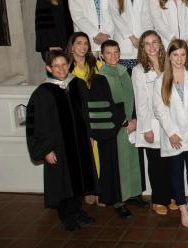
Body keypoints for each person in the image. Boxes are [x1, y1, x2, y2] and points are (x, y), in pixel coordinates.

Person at [25, 50, 96, 231]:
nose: (61, 69)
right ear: (48, 68)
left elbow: (86, 114)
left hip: (78, 142)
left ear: (69, 65)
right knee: (62, 181)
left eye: (64, 64)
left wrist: (89, 134)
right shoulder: (42, 93)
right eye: (56, 66)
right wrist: (45, 149)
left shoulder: (77, 84)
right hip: (57, 146)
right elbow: (36, 124)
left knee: (78, 177)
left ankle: (77, 209)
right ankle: (66, 215)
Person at [153, 40, 188, 228]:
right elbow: (159, 110)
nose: (179, 59)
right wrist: (171, 133)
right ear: (169, 56)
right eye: (175, 55)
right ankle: (182, 208)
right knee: (176, 172)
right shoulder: (161, 80)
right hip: (174, 136)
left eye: (183, 55)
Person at [87, 40, 141, 219]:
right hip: (112, 131)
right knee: (115, 165)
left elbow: (133, 99)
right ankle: (118, 201)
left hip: (130, 127)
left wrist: (134, 119)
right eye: (108, 53)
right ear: (101, 55)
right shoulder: (100, 78)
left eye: (116, 52)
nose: (113, 56)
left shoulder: (126, 72)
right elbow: (103, 106)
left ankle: (133, 194)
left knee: (131, 161)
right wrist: (124, 122)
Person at [131, 31, 172, 216]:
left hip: (170, 122)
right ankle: (158, 199)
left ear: (160, 44)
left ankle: (170, 196)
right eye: (147, 43)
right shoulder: (139, 70)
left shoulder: (169, 65)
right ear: (142, 48)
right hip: (152, 124)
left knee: (170, 161)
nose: (152, 46)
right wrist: (146, 128)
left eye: (154, 42)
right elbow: (141, 102)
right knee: (156, 164)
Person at [66, 31, 103, 203]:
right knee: (84, 153)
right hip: (78, 117)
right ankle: (88, 189)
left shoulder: (96, 64)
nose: (83, 46)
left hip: (97, 114)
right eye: (79, 43)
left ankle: (101, 189)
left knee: (99, 153)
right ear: (72, 46)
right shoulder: (66, 68)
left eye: (85, 43)